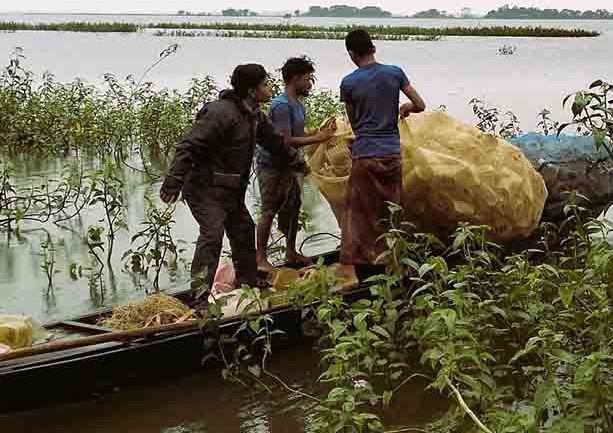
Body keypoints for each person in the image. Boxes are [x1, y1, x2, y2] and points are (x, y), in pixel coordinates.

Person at [160, 63, 308, 296]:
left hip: (230, 190)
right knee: (212, 234)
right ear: (252, 90)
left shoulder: (254, 116)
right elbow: (189, 147)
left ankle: (247, 283)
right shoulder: (220, 113)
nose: (269, 88)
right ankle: (199, 297)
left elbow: (275, 142)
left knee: (244, 230)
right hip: (203, 189)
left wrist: (297, 162)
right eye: (265, 84)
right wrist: (173, 182)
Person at [337, 29, 425, 289]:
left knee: (355, 213)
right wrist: (405, 108)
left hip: (365, 154)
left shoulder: (349, 82)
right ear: (373, 48)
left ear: (352, 54)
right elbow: (419, 104)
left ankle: (351, 272)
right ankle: (393, 265)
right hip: (391, 154)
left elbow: (354, 124)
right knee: (391, 211)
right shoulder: (395, 73)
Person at [255, 56, 336, 273]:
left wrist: (319, 133)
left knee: (293, 207)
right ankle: (260, 259)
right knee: (269, 210)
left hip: (290, 165)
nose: (310, 84)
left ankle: (290, 251)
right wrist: (319, 138)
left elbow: (298, 135)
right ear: (295, 79)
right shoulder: (281, 105)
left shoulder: (297, 105)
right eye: (308, 79)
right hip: (272, 166)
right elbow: (285, 140)